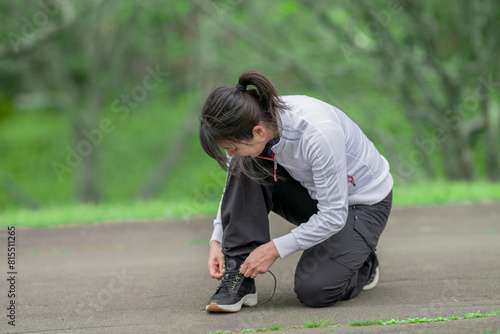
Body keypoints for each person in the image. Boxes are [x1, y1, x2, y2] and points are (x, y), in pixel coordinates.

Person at [199, 70, 393, 312]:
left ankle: (362, 260)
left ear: (258, 132)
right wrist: (217, 240)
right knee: (244, 163)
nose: (229, 154)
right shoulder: (250, 127)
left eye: (232, 147)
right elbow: (233, 191)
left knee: (315, 290)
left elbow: (333, 215)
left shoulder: (318, 132)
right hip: (311, 194)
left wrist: (274, 249)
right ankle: (239, 278)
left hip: (362, 203)